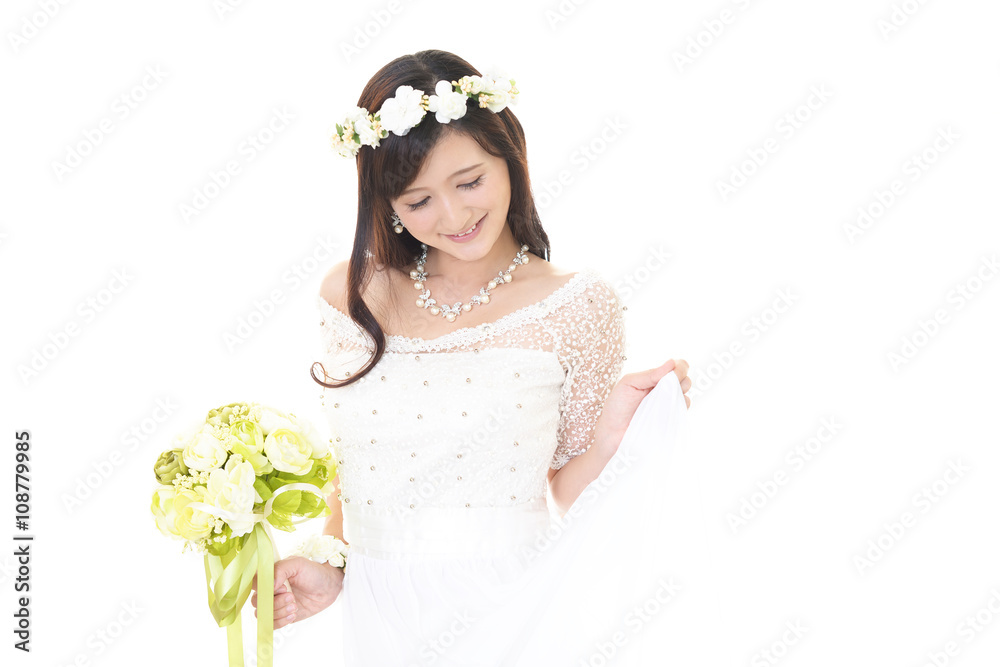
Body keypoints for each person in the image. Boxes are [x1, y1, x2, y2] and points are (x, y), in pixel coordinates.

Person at [251, 49, 693, 665]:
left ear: (509, 158)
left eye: (469, 182)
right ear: (387, 205)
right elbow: (354, 468)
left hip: (517, 612)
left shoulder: (576, 303)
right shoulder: (353, 293)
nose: (454, 216)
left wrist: (614, 432)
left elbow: (568, 492)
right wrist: (331, 562)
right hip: (381, 616)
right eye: (418, 201)